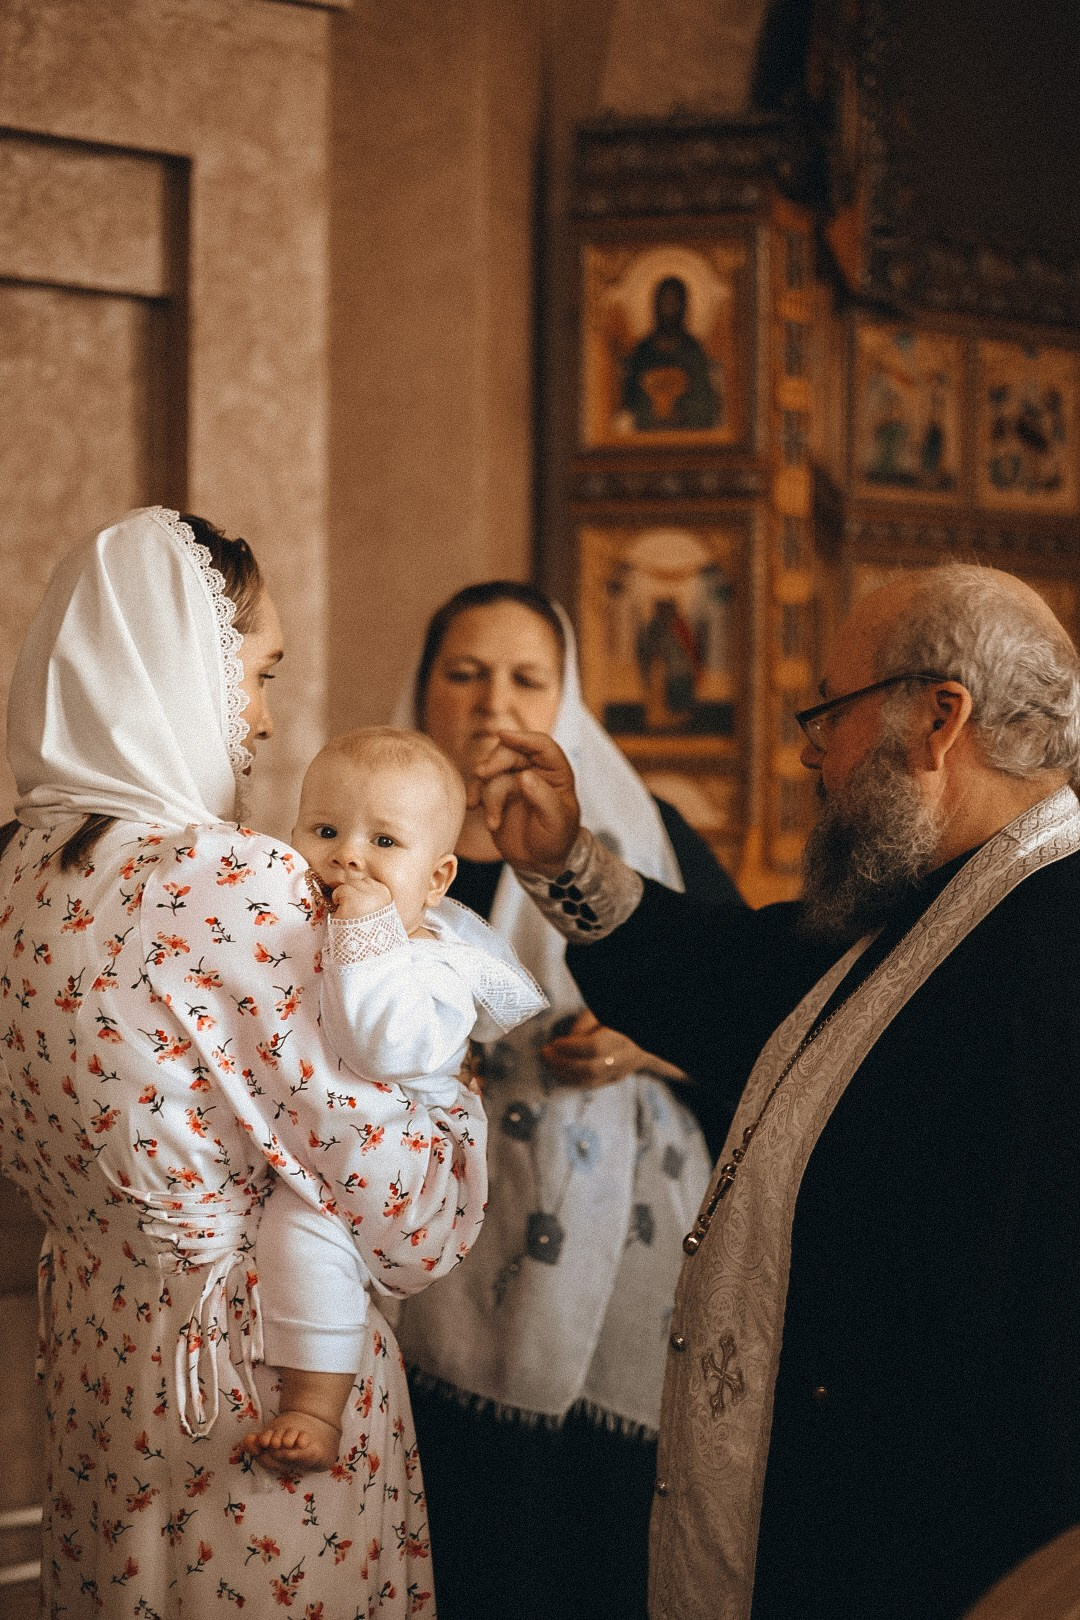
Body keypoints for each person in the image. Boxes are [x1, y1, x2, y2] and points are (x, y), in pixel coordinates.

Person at [469, 563, 1080, 1620]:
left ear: (941, 719)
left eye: (829, 713)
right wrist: (563, 856)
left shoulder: (1052, 947)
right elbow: (730, 977)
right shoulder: (938, 900)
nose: (809, 749)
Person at [0, 508, 488, 1619]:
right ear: (172, 665)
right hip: (256, 1390)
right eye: (254, 673)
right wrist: (454, 1088)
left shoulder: (14, 878)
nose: (262, 720)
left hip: (91, 1377)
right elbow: (405, 1221)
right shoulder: (235, 882)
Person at [390, 581, 743, 1619]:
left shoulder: (639, 833)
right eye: (466, 673)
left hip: (610, 1284)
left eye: (526, 679)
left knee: (592, 1564)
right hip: (424, 1283)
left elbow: (747, 1019)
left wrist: (648, 1043)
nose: (494, 702)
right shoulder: (369, 832)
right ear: (424, 688)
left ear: (566, 700)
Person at [243, 727, 545, 1471]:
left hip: (406, 1166)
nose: (348, 854)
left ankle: (316, 1406)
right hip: (341, 1145)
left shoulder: (435, 963)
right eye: (324, 830)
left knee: (303, 1227)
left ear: (436, 881)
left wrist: (368, 934)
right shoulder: (312, 930)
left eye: (384, 840)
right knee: (287, 1227)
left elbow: (382, 1048)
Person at [621, 275, 723, 432]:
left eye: (674, 302)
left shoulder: (693, 351)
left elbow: (704, 404)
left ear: (683, 306)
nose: (669, 308)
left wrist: (681, 414)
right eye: (664, 302)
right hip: (646, 441)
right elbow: (631, 403)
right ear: (656, 305)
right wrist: (652, 415)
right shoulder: (643, 351)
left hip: (686, 441)